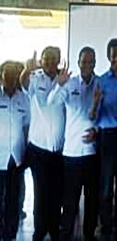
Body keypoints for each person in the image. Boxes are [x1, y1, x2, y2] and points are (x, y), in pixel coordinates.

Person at [49, 47, 100, 241]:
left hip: (92, 152)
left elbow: (102, 115)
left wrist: (97, 131)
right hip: (71, 153)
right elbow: (52, 103)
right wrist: (59, 85)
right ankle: (66, 234)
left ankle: (89, 234)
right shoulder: (69, 84)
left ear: (95, 63)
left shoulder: (99, 84)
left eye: (90, 61)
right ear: (78, 63)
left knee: (92, 199)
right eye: (84, 61)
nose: (87, 65)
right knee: (70, 199)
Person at [20, 46, 66, 241]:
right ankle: (39, 230)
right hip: (38, 148)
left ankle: (54, 229)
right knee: (40, 192)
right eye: (46, 58)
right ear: (41, 61)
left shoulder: (64, 80)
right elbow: (24, 84)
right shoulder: (35, 78)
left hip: (59, 150)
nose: (49, 62)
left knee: (56, 191)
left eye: (53, 58)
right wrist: (26, 70)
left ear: (58, 60)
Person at [90, 38, 117, 238]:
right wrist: (97, 103)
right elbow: (94, 115)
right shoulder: (101, 81)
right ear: (108, 57)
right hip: (107, 137)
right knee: (106, 185)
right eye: (114, 54)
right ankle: (105, 225)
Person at [0, 61, 30, 241]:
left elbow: (26, 126)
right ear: (1, 77)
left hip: (17, 157)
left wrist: (26, 153)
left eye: (13, 76)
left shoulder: (24, 99)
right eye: (7, 75)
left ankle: (10, 234)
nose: (10, 79)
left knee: (13, 198)